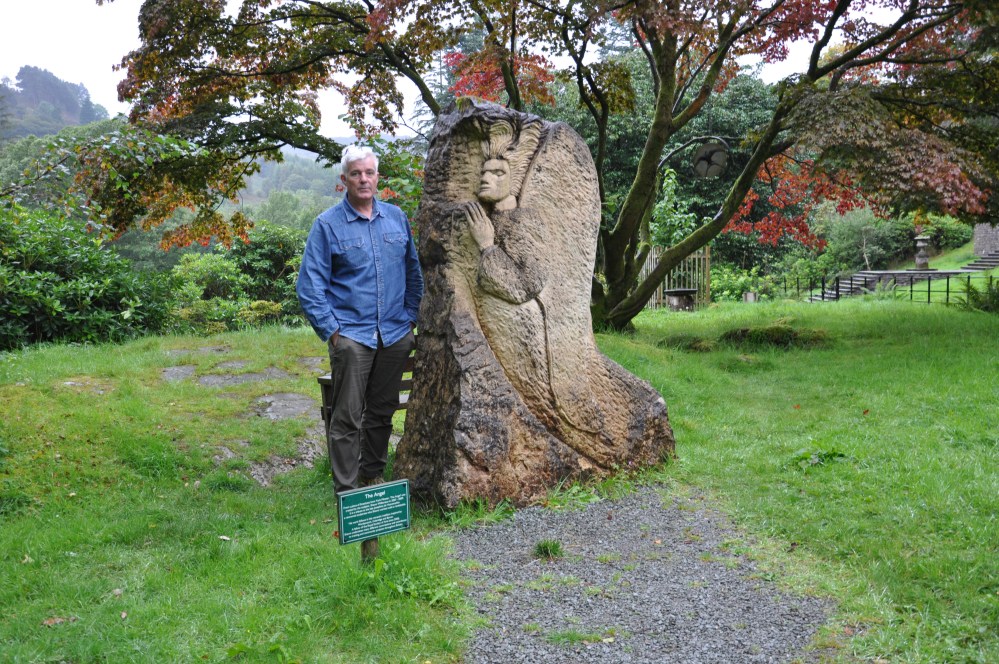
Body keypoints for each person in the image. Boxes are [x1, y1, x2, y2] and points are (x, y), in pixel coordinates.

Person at [297, 145, 423, 494]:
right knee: (347, 418)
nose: (363, 179)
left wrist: (410, 320)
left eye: (369, 173)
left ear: (377, 178)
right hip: (352, 338)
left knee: (382, 412)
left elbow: (414, 273)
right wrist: (335, 335)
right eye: (356, 173)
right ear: (344, 180)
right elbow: (309, 287)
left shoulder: (396, 218)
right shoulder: (327, 226)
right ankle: (347, 492)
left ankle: (372, 475)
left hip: (395, 334)